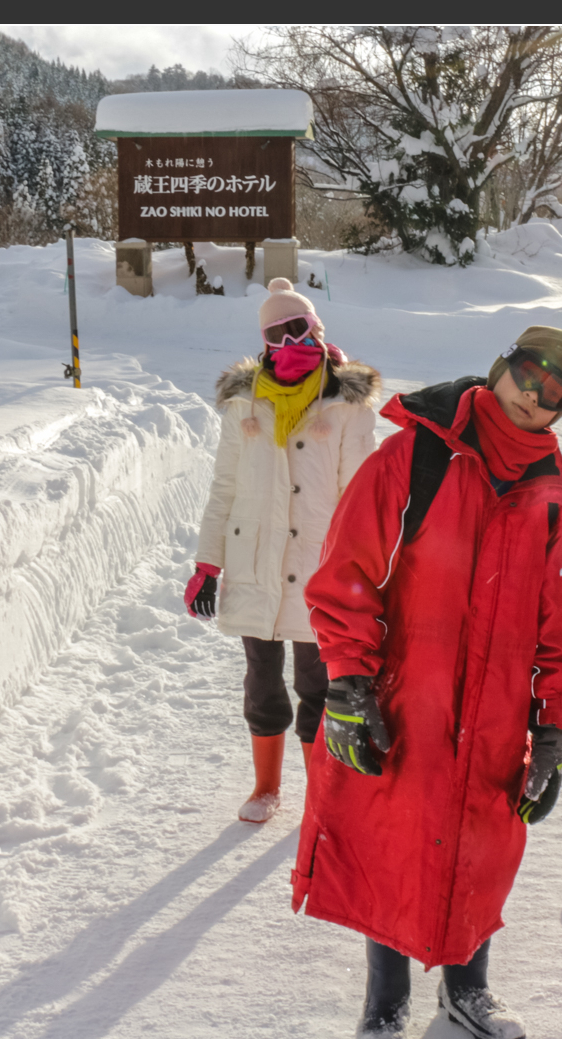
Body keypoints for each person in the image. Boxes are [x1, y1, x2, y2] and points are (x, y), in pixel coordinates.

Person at [293, 327, 562, 1039]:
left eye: (555, 392)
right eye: (527, 373)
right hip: (407, 698)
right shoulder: (413, 456)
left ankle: (467, 987)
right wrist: (351, 683)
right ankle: (384, 1001)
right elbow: (346, 574)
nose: (533, 394)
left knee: (482, 845)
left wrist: (550, 723)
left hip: (494, 715)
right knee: (395, 839)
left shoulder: (552, 504)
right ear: (501, 369)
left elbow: (558, 625)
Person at [188, 277, 380, 824]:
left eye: (299, 328)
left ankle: (323, 795)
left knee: (318, 686)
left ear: (317, 331)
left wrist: (364, 573)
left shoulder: (347, 406)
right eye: (277, 333)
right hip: (255, 563)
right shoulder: (244, 404)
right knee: (261, 682)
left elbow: (361, 495)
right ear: (264, 343)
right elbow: (224, 488)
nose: (290, 342)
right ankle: (266, 788)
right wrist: (208, 563)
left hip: (321, 568)